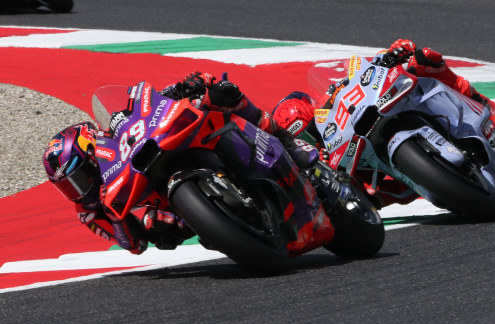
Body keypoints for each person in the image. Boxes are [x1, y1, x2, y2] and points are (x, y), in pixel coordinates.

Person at [43, 73, 321, 255]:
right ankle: (235, 221)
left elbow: (144, 110)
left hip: (171, 146)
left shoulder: (114, 138)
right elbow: (134, 244)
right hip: (173, 209)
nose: (77, 191)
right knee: (160, 225)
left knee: (218, 93)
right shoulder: (88, 212)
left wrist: (181, 89)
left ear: (93, 155)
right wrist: (124, 220)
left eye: (78, 179)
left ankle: (284, 140)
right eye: (67, 187)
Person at [271, 39, 495, 208]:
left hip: (383, 107)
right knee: (367, 191)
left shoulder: (331, 101)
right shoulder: (324, 159)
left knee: (423, 60)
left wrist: (391, 55)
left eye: (312, 130)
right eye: (307, 137)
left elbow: (360, 71)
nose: (314, 139)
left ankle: (486, 105)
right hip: (401, 176)